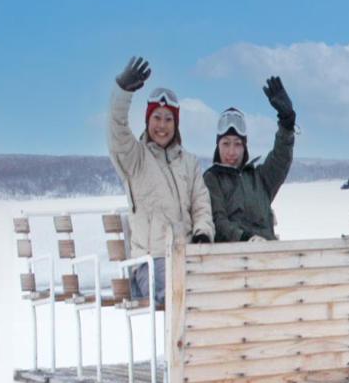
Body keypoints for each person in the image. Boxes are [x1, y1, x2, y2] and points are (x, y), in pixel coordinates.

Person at [108, 56, 213, 307]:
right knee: (181, 299)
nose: (162, 126)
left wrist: (202, 233)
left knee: (214, 296)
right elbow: (116, 131)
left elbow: (201, 203)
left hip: (186, 257)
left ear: (176, 124)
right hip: (150, 264)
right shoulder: (135, 158)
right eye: (157, 118)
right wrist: (122, 92)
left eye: (168, 119)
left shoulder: (189, 162)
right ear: (148, 120)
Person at [204, 77, 296, 242]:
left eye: (237, 144)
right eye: (226, 144)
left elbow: (281, 158)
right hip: (231, 258)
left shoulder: (259, 178)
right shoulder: (212, 179)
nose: (231, 151)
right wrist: (245, 238)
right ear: (217, 145)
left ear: (244, 146)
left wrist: (286, 122)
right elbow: (218, 220)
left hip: (267, 254)